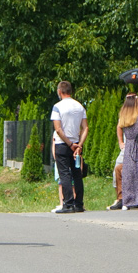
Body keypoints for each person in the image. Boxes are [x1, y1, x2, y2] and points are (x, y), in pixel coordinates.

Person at [51, 81, 88, 214]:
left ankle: (67, 204)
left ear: (60, 92)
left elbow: (58, 129)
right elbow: (85, 128)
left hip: (63, 144)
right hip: (76, 144)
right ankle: (79, 204)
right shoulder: (80, 106)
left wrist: (69, 144)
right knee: (77, 174)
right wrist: (79, 145)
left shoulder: (57, 107)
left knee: (64, 174)